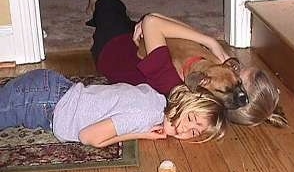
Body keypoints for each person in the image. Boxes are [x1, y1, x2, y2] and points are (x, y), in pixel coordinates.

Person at [85, 0, 288, 128]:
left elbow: (153, 21)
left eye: (238, 77)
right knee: (133, 23)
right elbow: (173, 31)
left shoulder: (174, 79)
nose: (234, 67)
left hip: (113, 52)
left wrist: (210, 41)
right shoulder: (209, 75)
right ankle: (104, 3)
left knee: (111, 12)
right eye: (239, 69)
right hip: (145, 45)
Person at [0, 69, 226, 148]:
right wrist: (142, 135)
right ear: (184, 102)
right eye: (191, 118)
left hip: (51, 90)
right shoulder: (144, 115)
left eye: (194, 132)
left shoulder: (156, 99)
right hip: (42, 102)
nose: (185, 130)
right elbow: (88, 137)